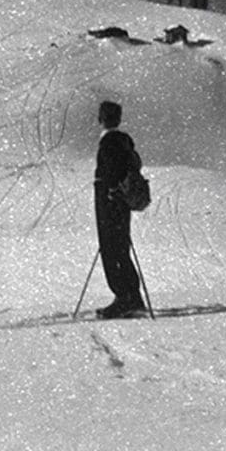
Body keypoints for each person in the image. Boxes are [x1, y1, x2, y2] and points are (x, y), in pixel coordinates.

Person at [93, 100, 146, 318]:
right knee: (121, 247)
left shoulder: (109, 142)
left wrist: (110, 192)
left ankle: (124, 298)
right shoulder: (125, 141)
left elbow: (111, 173)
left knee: (111, 248)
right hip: (121, 202)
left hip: (109, 201)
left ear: (101, 119)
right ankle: (132, 296)